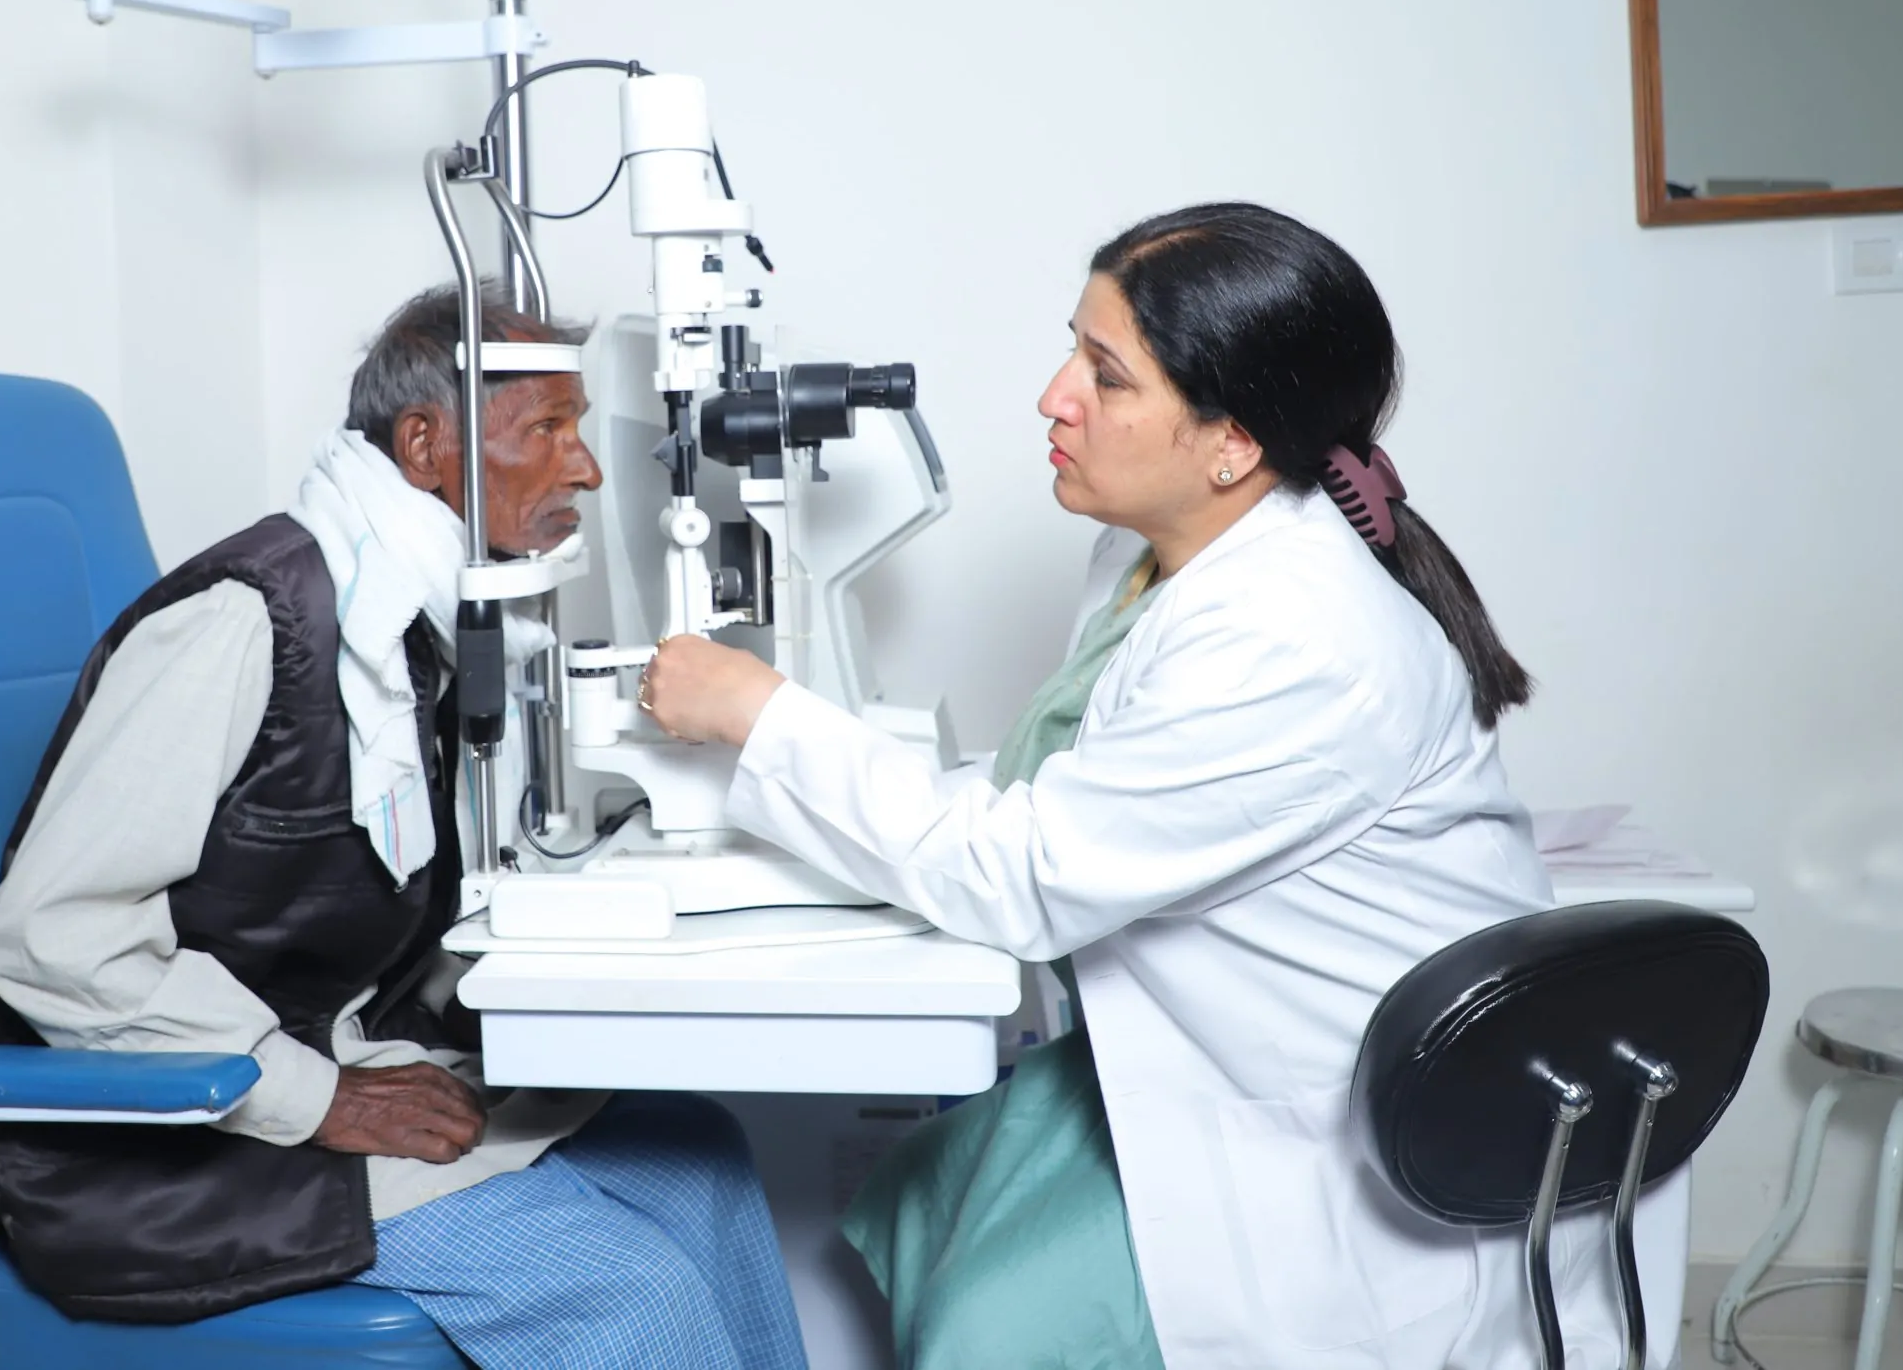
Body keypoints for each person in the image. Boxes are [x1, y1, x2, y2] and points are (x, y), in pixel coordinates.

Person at [643, 205, 1673, 1369]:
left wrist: (758, 716)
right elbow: (1083, 793)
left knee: (993, 1327)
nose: (1053, 397)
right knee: (923, 1192)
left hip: (1337, 1145)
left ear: (1230, 443)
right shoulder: (1149, 561)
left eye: (1106, 374)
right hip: (1196, 1058)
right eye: (1071, 352)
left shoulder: (1293, 639)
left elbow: (1027, 876)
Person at [0, 283, 807, 1370]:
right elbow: (50, 936)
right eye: (547, 429)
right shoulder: (244, 622)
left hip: (333, 1051)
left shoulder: (410, 620)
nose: (587, 469)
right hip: (171, 1144)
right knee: (625, 1291)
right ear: (424, 445)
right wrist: (317, 1096)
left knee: (701, 1160)